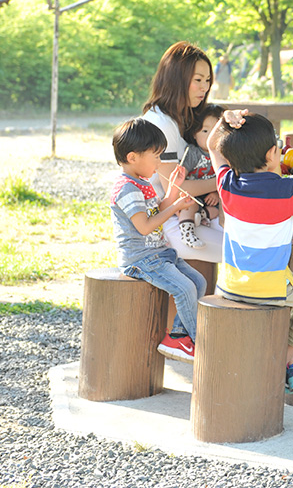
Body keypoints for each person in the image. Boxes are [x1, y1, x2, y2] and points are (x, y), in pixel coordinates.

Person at [207, 111, 293, 394]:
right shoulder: (286, 190)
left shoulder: (227, 184)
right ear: (272, 154)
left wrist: (223, 123)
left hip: (228, 286)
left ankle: (292, 361)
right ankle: (290, 358)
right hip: (270, 288)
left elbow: (210, 145)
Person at [109, 117, 207, 363]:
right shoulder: (127, 188)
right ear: (133, 157)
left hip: (159, 254)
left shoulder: (141, 183)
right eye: (156, 156)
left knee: (199, 281)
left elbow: (155, 212)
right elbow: (144, 227)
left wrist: (173, 190)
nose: (160, 162)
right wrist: (173, 207)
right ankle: (200, 343)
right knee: (185, 288)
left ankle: (177, 336)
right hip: (141, 260)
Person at [142, 42, 226, 260]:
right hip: (166, 224)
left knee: (254, 236)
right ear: (176, 80)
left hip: (193, 213)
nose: (205, 87)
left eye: (207, 80)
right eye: (198, 80)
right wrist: (224, 179)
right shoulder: (161, 123)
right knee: (250, 253)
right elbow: (177, 189)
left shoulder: (183, 117)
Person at [174, 104, 225, 249]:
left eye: (217, 131)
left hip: (210, 198)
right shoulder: (192, 152)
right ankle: (187, 233)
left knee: (216, 210)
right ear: (195, 134)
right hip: (194, 193)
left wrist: (215, 192)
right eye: (205, 131)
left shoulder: (223, 155)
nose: (211, 136)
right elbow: (181, 175)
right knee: (189, 206)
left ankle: (202, 215)